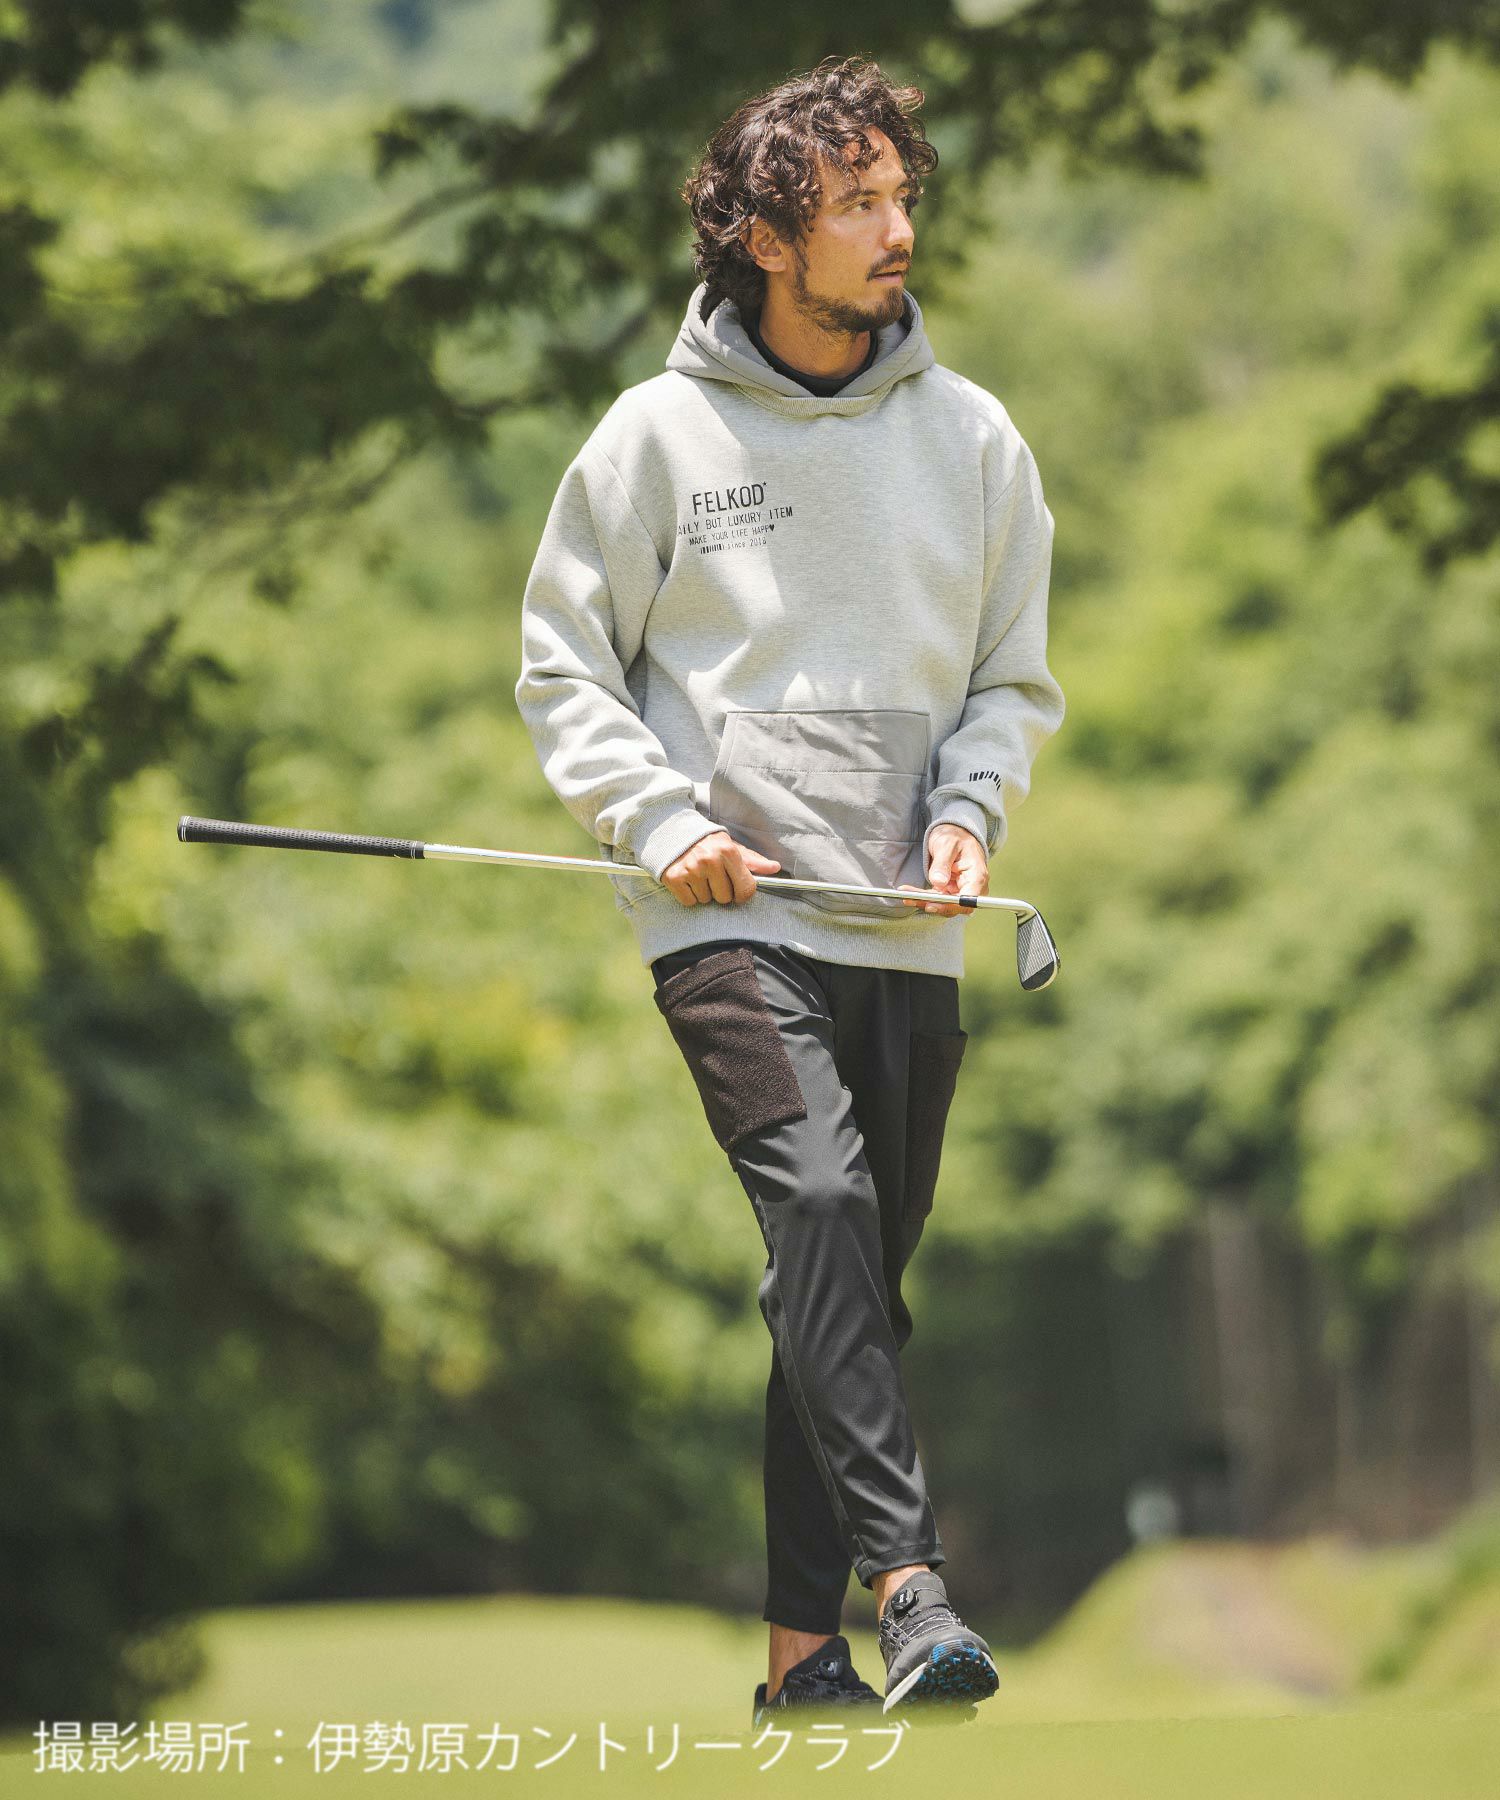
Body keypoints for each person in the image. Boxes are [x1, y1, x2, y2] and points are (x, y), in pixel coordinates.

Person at [513, 54, 1065, 1724]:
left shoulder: (975, 440)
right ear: (764, 236)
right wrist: (652, 818)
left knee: (849, 1288)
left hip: (905, 923)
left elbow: (1010, 682)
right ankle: (911, 1590)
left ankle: (794, 1658)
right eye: (857, 205)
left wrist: (968, 815)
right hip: (727, 915)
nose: (899, 231)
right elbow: (563, 666)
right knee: (819, 1208)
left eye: (903, 197)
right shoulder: (653, 437)